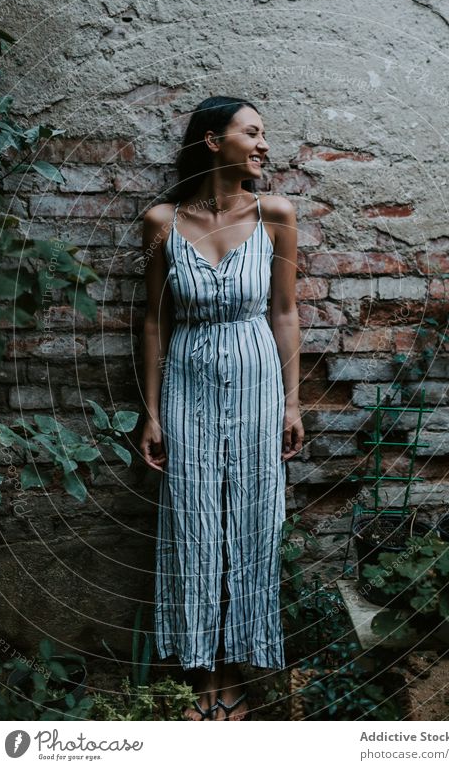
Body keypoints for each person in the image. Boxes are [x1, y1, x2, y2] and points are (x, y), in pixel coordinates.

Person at [140, 96, 304, 721]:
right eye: (253, 133)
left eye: (264, 135)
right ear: (213, 142)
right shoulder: (160, 221)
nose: (264, 145)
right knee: (193, 521)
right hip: (186, 379)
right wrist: (151, 412)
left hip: (257, 379)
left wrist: (292, 400)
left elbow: (284, 312)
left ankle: (237, 669)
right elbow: (154, 323)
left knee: (254, 521)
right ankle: (200, 673)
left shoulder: (276, 215)